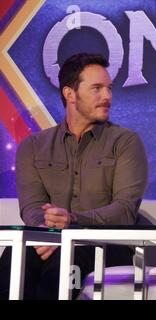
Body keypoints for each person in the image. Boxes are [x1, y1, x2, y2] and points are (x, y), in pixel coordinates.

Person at [0, 53, 148, 299]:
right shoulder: (33, 146)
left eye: (109, 88)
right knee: (14, 256)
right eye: (97, 89)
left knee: (64, 266)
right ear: (70, 94)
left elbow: (125, 210)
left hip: (103, 245)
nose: (108, 96)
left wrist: (72, 220)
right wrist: (44, 232)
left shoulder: (125, 142)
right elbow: (32, 206)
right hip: (48, 242)